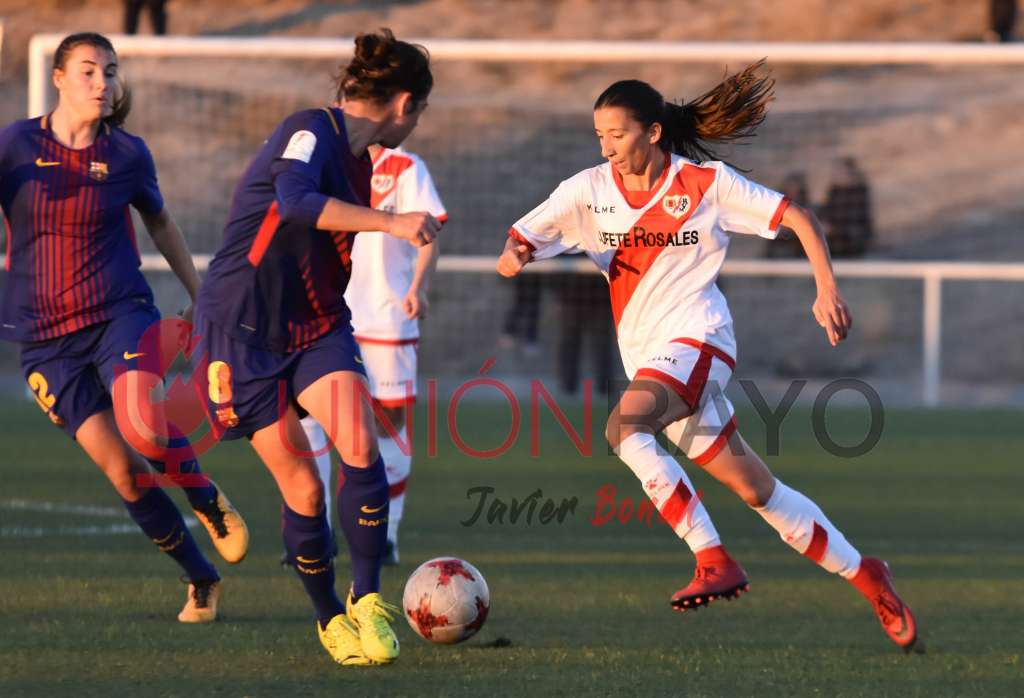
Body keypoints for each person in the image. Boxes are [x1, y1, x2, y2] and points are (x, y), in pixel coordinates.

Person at [496, 62, 921, 653]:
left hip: (700, 340)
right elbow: (519, 241)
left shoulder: (705, 184)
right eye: (599, 136)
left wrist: (826, 287)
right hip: (648, 357)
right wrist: (517, 254)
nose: (607, 147)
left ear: (652, 133)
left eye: (617, 134)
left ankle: (712, 556)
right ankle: (865, 573)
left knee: (624, 429)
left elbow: (797, 216)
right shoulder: (586, 192)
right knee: (755, 490)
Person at [193, 28, 439, 666]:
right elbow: (295, 201)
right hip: (240, 328)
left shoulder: (362, 162)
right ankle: (330, 618)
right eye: (423, 113)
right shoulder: (308, 128)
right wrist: (392, 222)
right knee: (302, 489)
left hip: (318, 325)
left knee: (361, 444)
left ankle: (367, 601)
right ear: (405, 104)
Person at [0, 32, 248, 623]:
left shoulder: (128, 154)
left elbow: (162, 226)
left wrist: (201, 299)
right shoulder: (14, 146)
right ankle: (200, 577)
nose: (101, 83)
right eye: (87, 71)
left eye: (109, 72)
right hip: (45, 341)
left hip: (119, 314)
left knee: (144, 427)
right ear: (58, 78)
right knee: (125, 475)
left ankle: (206, 499)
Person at [300, 143, 446, 566]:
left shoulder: (406, 166)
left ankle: (388, 534)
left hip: (386, 313)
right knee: (311, 417)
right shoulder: (327, 157)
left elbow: (430, 235)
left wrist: (418, 287)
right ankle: (316, 533)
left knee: (388, 421)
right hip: (325, 309)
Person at [820, 156, 873, 258]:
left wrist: (836, 230)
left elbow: (859, 225)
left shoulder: (859, 193)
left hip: (852, 246)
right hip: (832, 246)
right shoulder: (834, 192)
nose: (841, 176)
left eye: (844, 172)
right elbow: (825, 214)